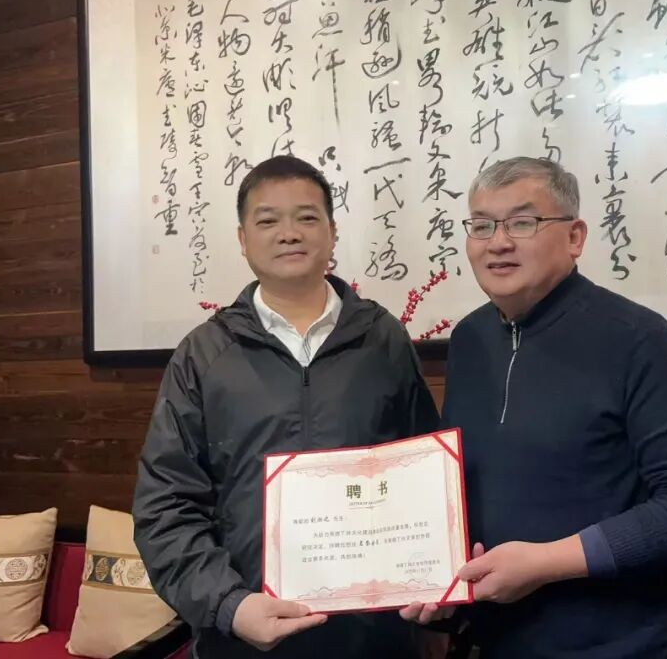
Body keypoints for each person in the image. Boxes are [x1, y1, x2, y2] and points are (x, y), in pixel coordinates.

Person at [405, 156, 667, 658]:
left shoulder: (638, 338)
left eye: (522, 222)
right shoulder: (470, 340)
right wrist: (445, 588)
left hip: (630, 648)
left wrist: (547, 563)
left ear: (575, 237)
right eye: (482, 225)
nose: (498, 242)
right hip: (502, 645)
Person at [134, 155, 440, 659]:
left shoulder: (383, 339)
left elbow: (423, 476)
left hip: (373, 637)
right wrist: (229, 605)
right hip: (243, 641)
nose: (289, 233)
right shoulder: (204, 354)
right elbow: (165, 505)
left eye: (306, 217)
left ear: (332, 233)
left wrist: (429, 576)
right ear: (242, 238)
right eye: (268, 220)